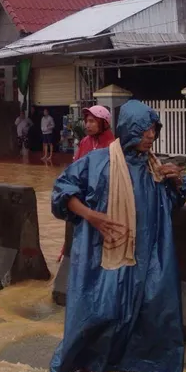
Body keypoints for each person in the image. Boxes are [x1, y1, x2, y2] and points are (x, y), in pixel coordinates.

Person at [49, 100, 186, 372]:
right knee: (101, 313)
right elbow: (62, 192)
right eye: (145, 129)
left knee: (145, 315)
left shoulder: (156, 169)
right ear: (129, 129)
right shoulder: (97, 162)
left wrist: (177, 180)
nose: (151, 136)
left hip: (147, 257)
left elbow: (172, 204)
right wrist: (91, 216)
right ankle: (82, 369)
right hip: (104, 255)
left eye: (154, 130)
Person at [56, 105, 116, 263]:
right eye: (86, 121)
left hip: (102, 202)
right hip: (82, 202)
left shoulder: (113, 145)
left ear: (103, 122)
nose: (87, 125)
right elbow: (74, 170)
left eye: (92, 121)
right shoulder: (84, 142)